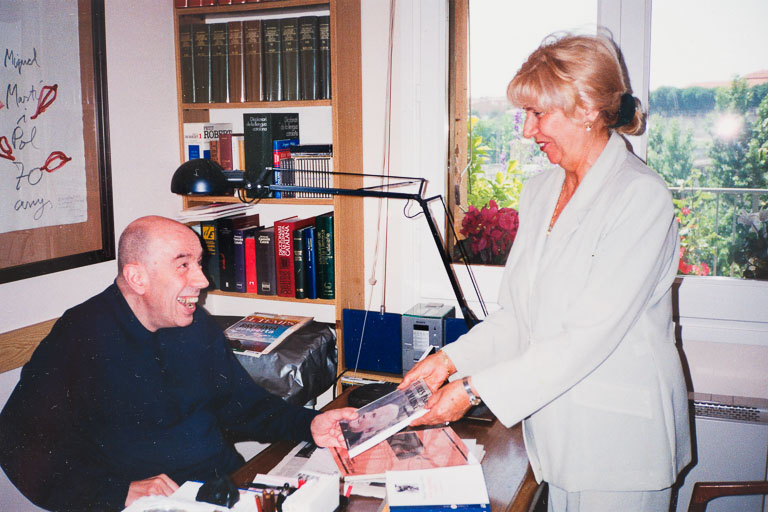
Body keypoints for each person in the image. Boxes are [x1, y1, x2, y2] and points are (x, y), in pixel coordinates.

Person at [400, 33, 691, 511]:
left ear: (589, 109)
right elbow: (518, 316)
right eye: (525, 115)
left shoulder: (640, 198)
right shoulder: (539, 192)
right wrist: (448, 362)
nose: (528, 131)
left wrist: (471, 391)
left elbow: (587, 336)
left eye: (538, 114)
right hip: (557, 435)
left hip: (622, 445)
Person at [0, 215, 357, 511]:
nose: (202, 280)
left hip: (227, 489)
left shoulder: (194, 325)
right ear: (137, 277)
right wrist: (118, 492)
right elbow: (17, 445)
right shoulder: (80, 337)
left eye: (198, 263)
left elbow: (244, 406)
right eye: (183, 265)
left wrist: (310, 424)